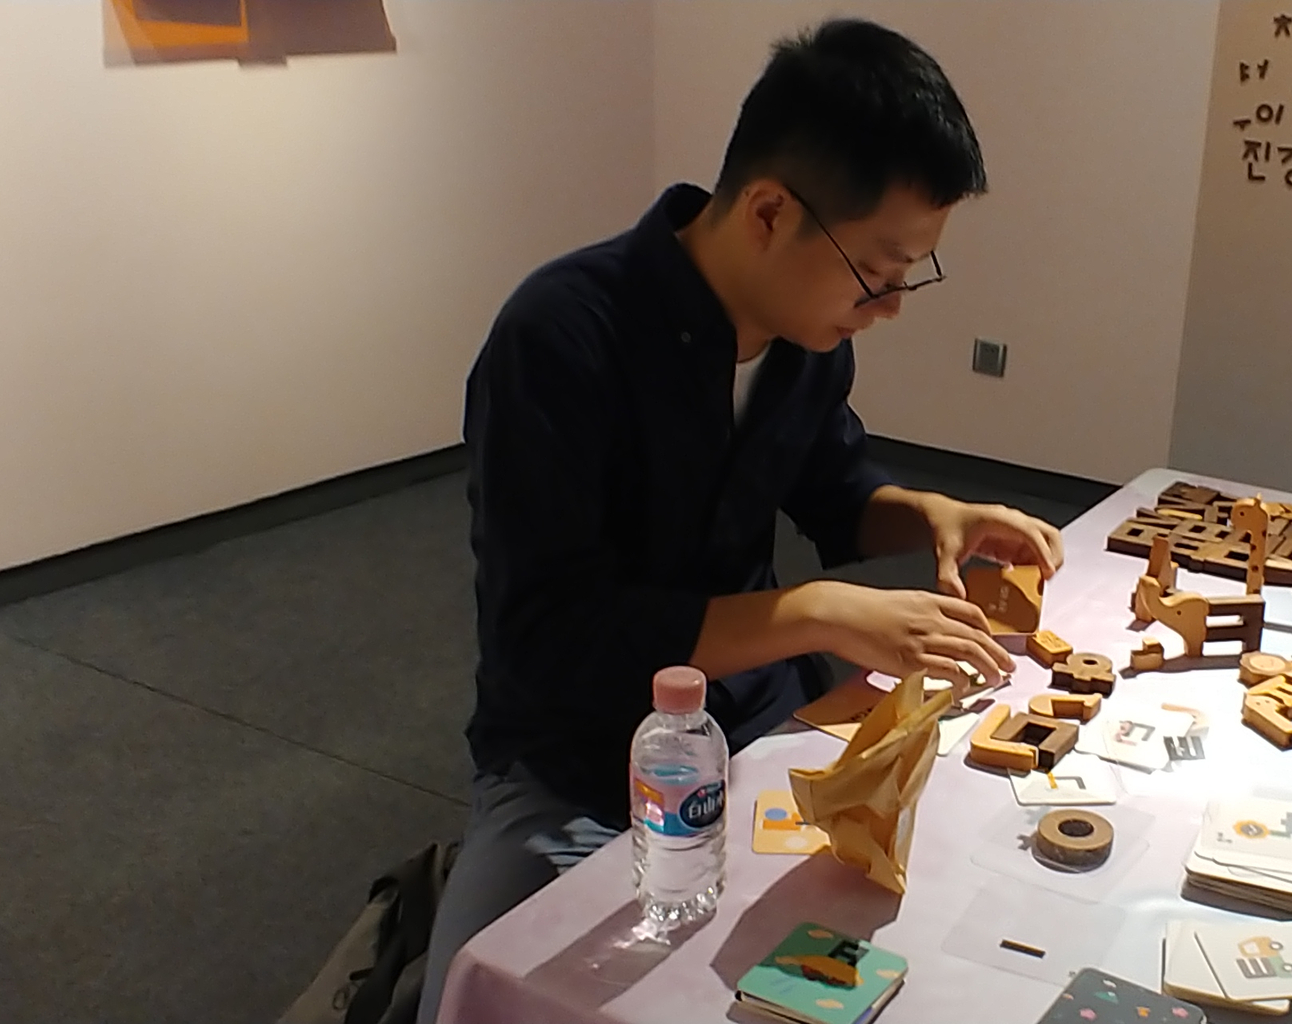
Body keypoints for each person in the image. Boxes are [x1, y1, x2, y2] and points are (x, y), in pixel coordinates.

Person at [416, 18, 1064, 1023]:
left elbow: (834, 485)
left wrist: (931, 513)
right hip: (578, 758)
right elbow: (554, 637)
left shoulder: (806, 338)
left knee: (919, 916)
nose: (889, 305)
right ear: (768, 212)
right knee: (491, 993)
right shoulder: (559, 339)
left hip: (750, 715)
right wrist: (814, 612)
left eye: (908, 275)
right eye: (880, 271)